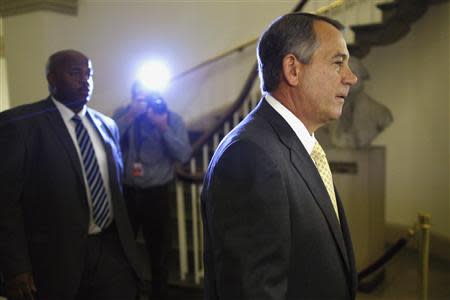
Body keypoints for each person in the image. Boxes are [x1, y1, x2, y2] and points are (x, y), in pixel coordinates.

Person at [201, 13, 358, 300]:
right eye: (338, 63)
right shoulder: (249, 156)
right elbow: (252, 292)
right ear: (293, 70)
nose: (351, 77)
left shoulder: (293, 143)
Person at [0, 49, 142, 300]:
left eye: (89, 74)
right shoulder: (22, 125)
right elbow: (6, 202)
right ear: (52, 79)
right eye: (75, 73)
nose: (85, 81)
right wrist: (16, 267)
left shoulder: (106, 125)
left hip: (109, 251)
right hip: (54, 258)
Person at [113, 81, 192, 300]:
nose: (146, 104)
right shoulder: (124, 114)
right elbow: (106, 140)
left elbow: (184, 154)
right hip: (127, 192)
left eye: (149, 98)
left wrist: (162, 127)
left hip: (157, 194)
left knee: (159, 254)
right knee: (123, 250)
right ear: (132, 98)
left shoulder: (170, 118)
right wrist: (131, 116)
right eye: (140, 99)